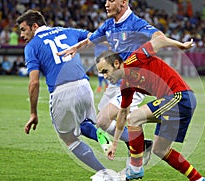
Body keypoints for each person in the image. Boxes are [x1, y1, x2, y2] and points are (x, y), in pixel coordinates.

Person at [58, 0, 164, 165]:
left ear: (123, 2)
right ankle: (140, 141)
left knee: (103, 120)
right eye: (106, 1)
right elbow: (90, 39)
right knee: (101, 121)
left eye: (111, 0)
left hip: (133, 83)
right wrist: (75, 48)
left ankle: (139, 142)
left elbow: (157, 35)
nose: (106, 4)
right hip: (115, 82)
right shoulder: (109, 25)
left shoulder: (136, 23)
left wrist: (174, 44)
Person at [95, 36, 205, 181]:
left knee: (135, 118)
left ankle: (135, 168)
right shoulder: (126, 85)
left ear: (116, 64)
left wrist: (180, 45)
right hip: (173, 102)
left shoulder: (136, 58)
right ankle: (197, 179)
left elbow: (159, 40)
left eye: (105, 71)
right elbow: (122, 113)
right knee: (159, 150)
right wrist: (114, 144)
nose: (105, 76)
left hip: (180, 96)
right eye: (101, 74)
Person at [16, 9, 109, 174]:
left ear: (35, 26)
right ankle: (107, 140)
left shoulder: (32, 46)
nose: (21, 35)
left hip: (62, 92)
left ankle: (105, 174)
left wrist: (33, 113)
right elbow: (95, 37)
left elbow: (34, 83)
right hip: (84, 85)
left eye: (23, 29)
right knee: (85, 123)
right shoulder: (67, 31)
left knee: (69, 139)